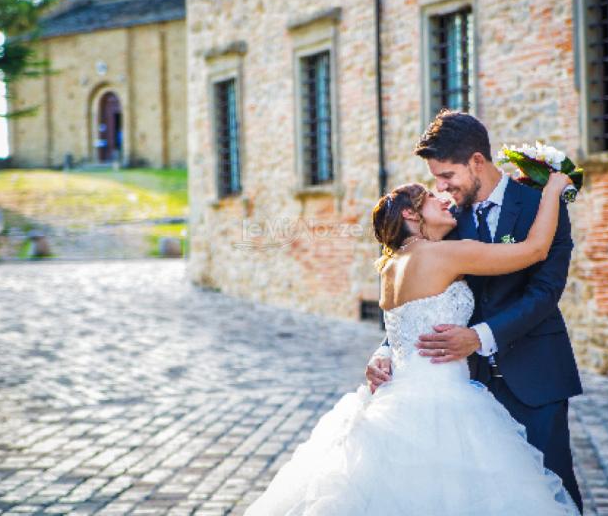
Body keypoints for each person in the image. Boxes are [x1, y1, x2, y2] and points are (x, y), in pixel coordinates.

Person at [243, 151, 580, 513]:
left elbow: (402, 327)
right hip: (447, 404)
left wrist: (383, 353)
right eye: (433, 198)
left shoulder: (389, 266)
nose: (444, 197)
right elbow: (534, 249)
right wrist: (553, 189)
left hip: (396, 401)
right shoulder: (444, 255)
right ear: (410, 213)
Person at [367, 110, 583, 513]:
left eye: (447, 175)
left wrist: (480, 337)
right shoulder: (446, 222)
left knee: (552, 494)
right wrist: (385, 351)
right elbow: (419, 300)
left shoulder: (540, 205)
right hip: (466, 389)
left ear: (477, 162)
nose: (441, 187)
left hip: (535, 378)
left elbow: (545, 290)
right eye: (435, 181)